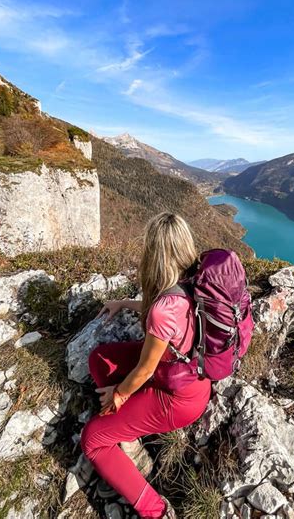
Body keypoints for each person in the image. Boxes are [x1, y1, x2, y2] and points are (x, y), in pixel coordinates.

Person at [81, 212, 212, 519]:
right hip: (190, 377)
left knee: (93, 441)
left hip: (176, 398)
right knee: (99, 358)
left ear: (155, 254)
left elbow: (145, 370)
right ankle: (127, 440)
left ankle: (156, 511)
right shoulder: (195, 281)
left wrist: (119, 395)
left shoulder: (164, 309)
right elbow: (168, 319)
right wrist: (124, 304)